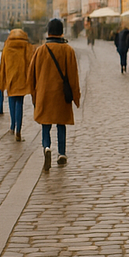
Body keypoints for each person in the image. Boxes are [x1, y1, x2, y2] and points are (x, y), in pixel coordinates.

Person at [28, 18, 81, 170]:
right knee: (61, 124)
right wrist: (76, 97)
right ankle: (62, 153)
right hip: (61, 96)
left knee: (46, 124)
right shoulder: (68, 50)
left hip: (44, 94)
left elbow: (31, 76)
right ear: (61, 32)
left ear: (48, 31)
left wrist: (34, 96)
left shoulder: (40, 51)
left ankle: (46, 148)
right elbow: (73, 77)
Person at [0, 28, 34, 141]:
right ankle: (18, 130)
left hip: (10, 79)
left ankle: (12, 126)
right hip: (22, 79)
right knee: (20, 104)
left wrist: (1, 80)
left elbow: (2, 65)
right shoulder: (26, 46)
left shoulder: (7, 47)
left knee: (12, 102)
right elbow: (30, 63)